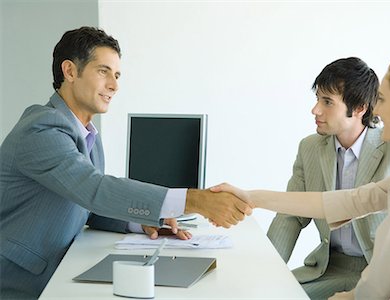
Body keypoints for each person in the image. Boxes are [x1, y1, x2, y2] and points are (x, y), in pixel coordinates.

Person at [0, 26, 251, 300]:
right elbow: (93, 189)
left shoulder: (86, 134)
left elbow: (85, 206)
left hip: (58, 271)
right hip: (21, 282)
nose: (114, 85)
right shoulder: (41, 128)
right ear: (70, 71)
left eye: (117, 75)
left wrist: (140, 223)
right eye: (103, 71)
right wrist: (195, 200)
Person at [212, 54, 390, 299]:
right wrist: (251, 197)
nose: (376, 109)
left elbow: (388, 268)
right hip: (331, 270)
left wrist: (350, 297)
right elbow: (343, 202)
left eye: (381, 99)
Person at [266, 57, 390, 299]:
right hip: (328, 269)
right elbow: (290, 218)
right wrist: (263, 274)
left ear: (360, 108)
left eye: (327, 102)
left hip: (380, 272)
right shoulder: (309, 147)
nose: (315, 110)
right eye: (317, 99)